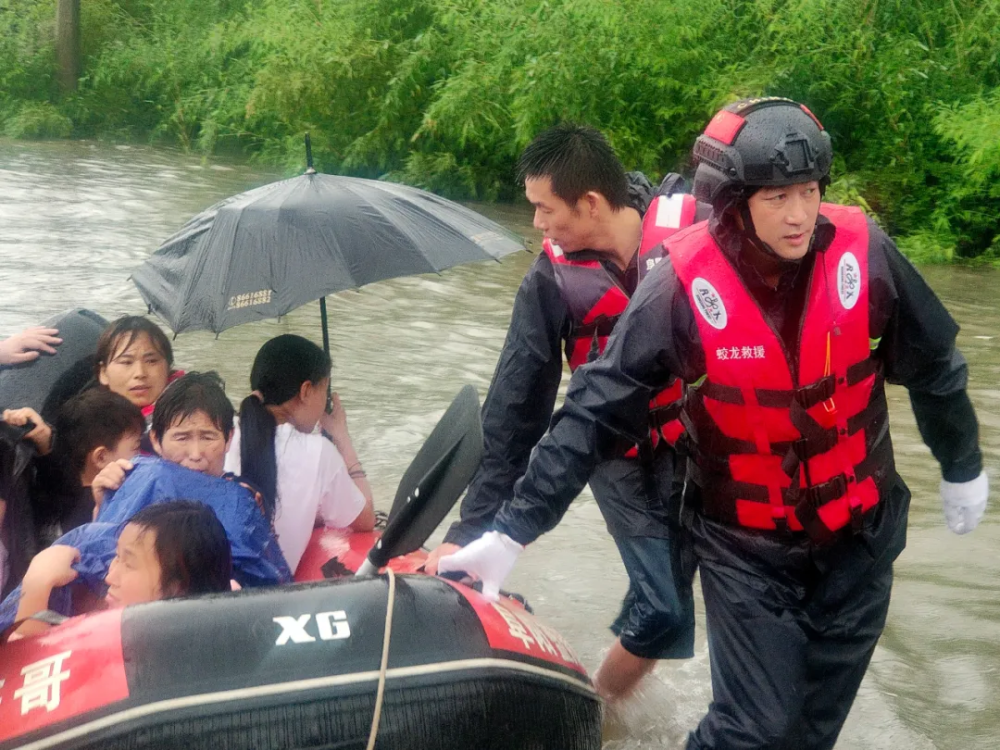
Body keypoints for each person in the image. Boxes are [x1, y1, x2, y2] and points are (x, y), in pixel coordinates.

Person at [439, 97, 988, 749]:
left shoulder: (863, 253)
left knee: (808, 733)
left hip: (858, 538)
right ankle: (601, 712)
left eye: (809, 191)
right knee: (747, 720)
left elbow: (935, 366)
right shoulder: (675, 282)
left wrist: (962, 465)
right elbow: (579, 412)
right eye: (776, 196)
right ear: (736, 202)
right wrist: (504, 530)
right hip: (740, 538)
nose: (798, 214)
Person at [426, 123, 706, 704]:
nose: (536, 224)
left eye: (543, 208)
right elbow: (513, 414)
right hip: (613, 451)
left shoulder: (698, 230)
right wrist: (472, 530)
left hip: (700, 446)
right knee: (662, 608)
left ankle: (609, 696)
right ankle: (595, 716)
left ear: (592, 204)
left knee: (668, 621)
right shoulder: (550, 283)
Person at [224, 334, 376, 574]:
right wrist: (342, 437)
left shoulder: (221, 433)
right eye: (324, 390)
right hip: (268, 594)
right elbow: (366, 519)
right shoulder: (319, 452)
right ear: (306, 390)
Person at [10, 500, 232, 638]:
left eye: (129, 563)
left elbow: (28, 673)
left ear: (178, 587)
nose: (109, 576)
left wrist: (37, 584)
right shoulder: (220, 615)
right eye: (117, 557)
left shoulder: (149, 651)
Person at [2, 390, 145, 537]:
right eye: (136, 448)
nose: (143, 456)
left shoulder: (59, 498)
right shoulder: (109, 513)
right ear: (101, 457)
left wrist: (44, 440)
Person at [94, 315, 181, 418]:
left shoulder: (187, 418)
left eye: (151, 361)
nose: (140, 373)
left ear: (168, 367)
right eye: (126, 362)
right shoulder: (93, 422)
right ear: (104, 373)